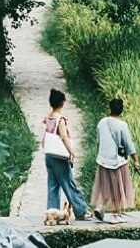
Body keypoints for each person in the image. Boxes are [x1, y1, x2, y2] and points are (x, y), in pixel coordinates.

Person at [42, 87, 90, 221]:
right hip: (59, 156)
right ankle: (81, 211)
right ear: (62, 103)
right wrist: (71, 152)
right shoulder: (60, 119)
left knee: (53, 185)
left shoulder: (48, 117)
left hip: (49, 155)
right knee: (68, 183)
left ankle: (52, 214)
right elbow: (63, 137)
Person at [91, 96, 139, 223]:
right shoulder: (122, 125)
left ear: (110, 108)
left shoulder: (102, 122)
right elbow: (128, 144)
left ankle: (101, 206)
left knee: (106, 185)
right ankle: (115, 215)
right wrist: (136, 160)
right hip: (116, 161)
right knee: (118, 187)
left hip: (102, 159)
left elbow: (98, 141)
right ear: (121, 110)